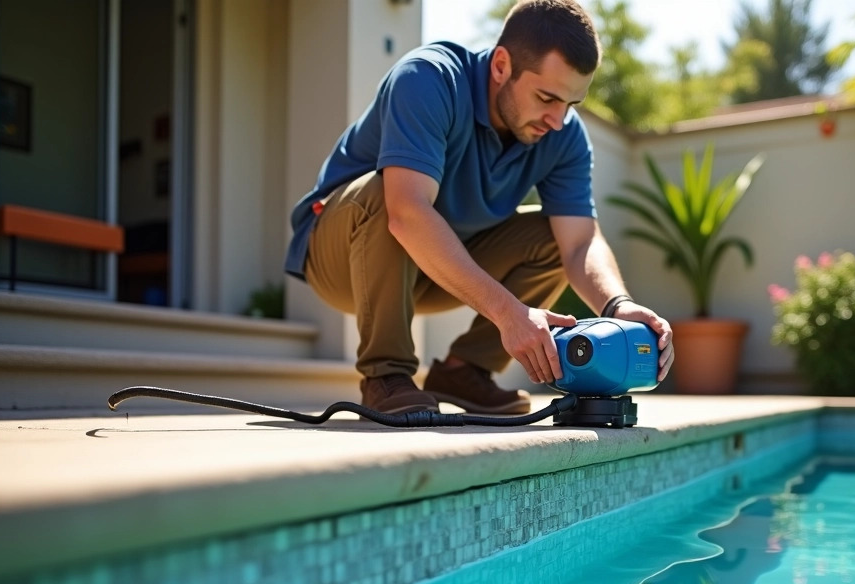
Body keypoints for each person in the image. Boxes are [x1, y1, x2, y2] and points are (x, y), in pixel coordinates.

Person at [284, 0, 674, 415]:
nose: (557, 120)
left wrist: (618, 306)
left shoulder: (564, 137)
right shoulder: (428, 78)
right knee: (392, 191)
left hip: (427, 272)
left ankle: (464, 372)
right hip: (341, 256)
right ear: (502, 65)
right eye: (546, 97)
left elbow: (578, 244)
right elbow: (406, 212)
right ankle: (386, 374)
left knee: (552, 239)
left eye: (570, 105)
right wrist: (510, 314)